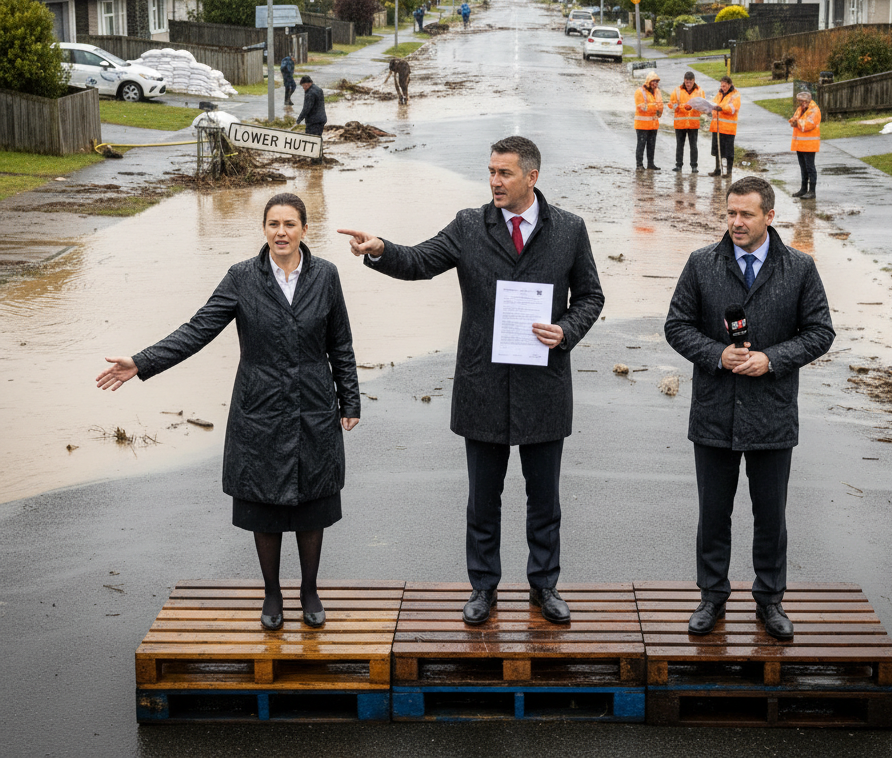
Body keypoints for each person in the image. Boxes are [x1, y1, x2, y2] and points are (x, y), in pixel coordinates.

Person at [338, 136, 604, 626]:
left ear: (532, 177)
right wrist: (380, 250)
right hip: (483, 384)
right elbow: (420, 260)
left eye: (504, 173)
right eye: (490, 172)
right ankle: (483, 588)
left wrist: (566, 330)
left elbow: (591, 295)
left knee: (544, 500)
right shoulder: (469, 225)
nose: (494, 182)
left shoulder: (568, 228)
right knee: (484, 501)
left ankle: (544, 586)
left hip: (544, 387)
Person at [95, 193, 361, 632]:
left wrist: (348, 399)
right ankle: (273, 593)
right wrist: (142, 362)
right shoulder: (242, 278)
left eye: (290, 224)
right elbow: (198, 329)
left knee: (314, 498)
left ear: (304, 230)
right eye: (273, 224)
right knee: (264, 498)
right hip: (259, 403)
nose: (281, 232)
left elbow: (341, 343)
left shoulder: (326, 276)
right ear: (263, 229)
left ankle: (309, 589)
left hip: (314, 401)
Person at [663, 176, 834, 640]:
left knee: (770, 514)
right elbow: (676, 326)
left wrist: (772, 359)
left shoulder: (799, 267)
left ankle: (770, 600)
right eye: (731, 214)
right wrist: (718, 354)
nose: (736, 223)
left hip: (772, 413)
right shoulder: (702, 264)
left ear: (769, 217)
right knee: (713, 513)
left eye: (746, 214)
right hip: (715, 411)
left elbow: (821, 332)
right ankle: (712, 597)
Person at [669, 71, 706, 172]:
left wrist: (693, 108)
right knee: (679, 145)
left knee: (693, 146)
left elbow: (703, 107)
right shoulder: (677, 90)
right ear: (684, 81)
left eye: (690, 82)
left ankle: (694, 166)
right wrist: (682, 107)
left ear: (694, 81)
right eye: (686, 82)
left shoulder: (700, 91)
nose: (688, 84)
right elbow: (672, 104)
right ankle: (678, 165)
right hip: (680, 124)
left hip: (693, 124)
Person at [789, 91, 821, 199]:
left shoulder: (814, 110)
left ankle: (812, 191)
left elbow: (809, 124)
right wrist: (793, 121)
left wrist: (796, 123)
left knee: (810, 167)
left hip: (810, 144)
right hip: (801, 144)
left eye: (802, 101)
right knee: (803, 167)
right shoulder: (801, 109)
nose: (801, 103)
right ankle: (803, 189)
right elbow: (795, 118)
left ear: (807, 101)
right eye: (799, 101)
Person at [708, 75, 740, 178]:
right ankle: (717, 169)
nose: (723, 87)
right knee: (717, 149)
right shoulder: (719, 93)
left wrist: (720, 108)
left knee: (729, 152)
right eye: (722, 85)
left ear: (730, 85)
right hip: (717, 127)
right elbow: (714, 103)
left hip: (728, 128)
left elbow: (733, 108)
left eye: (725, 86)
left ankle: (728, 172)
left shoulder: (735, 95)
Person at [634, 73, 664, 170]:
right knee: (641, 145)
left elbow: (660, 106)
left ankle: (650, 164)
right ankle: (639, 165)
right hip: (642, 125)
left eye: (657, 81)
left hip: (653, 124)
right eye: (653, 81)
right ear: (648, 81)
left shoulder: (657, 92)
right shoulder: (639, 92)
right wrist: (655, 107)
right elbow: (642, 107)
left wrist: (659, 111)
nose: (655, 83)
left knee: (651, 145)